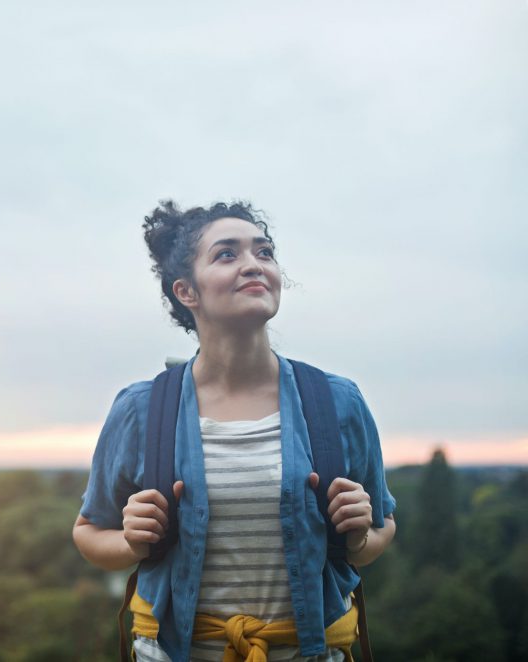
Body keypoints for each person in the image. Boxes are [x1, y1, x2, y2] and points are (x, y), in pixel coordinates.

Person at [71, 201, 396, 662]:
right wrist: (128, 542)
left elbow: (381, 530)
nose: (253, 264)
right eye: (227, 254)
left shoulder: (339, 402)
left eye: (264, 252)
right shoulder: (140, 409)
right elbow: (88, 532)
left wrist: (360, 536)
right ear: (186, 291)